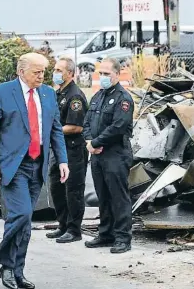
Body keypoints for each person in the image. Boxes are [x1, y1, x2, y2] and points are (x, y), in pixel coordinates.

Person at [0, 53, 69, 289]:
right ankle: (6, 265)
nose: (41, 76)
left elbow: (55, 130)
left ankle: (17, 270)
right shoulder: (2, 92)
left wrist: (62, 159)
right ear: (22, 72)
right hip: (13, 166)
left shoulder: (48, 94)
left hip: (37, 165)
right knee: (20, 215)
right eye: (36, 72)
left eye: (43, 71)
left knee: (26, 223)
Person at [83, 58, 134, 254]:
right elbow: (87, 122)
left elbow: (118, 127)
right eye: (101, 74)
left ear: (116, 74)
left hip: (115, 154)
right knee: (102, 196)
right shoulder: (98, 96)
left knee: (118, 197)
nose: (103, 77)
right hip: (97, 155)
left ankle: (122, 238)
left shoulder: (123, 99)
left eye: (107, 74)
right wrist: (89, 142)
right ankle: (106, 234)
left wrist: (96, 143)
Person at [46, 57, 88, 243]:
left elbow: (76, 127)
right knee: (56, 188)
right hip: (59, 150)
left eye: (59, 70)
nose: (56, 74)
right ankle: (63, 225)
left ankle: (74, 230)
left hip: (73, 150)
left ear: (70, 73)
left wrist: (52, 131)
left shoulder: (75, 96)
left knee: (73, 191)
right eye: (55, 70)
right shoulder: (58, 94)